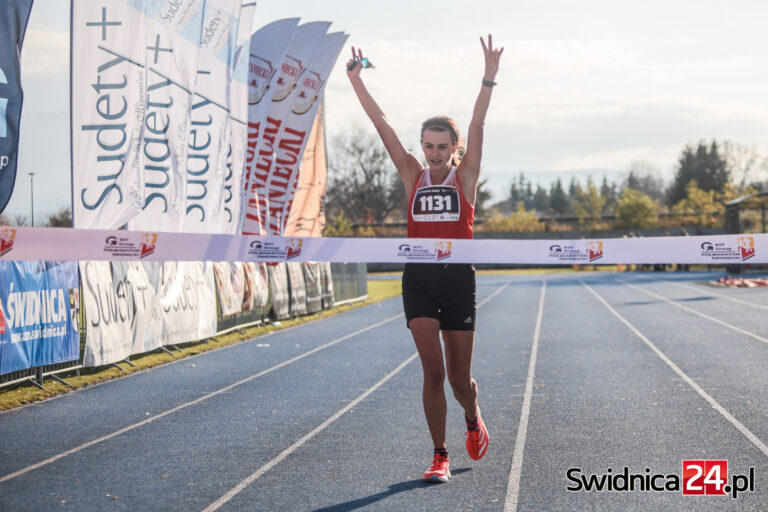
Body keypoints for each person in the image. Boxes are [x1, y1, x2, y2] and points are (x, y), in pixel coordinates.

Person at [347, 35, 503, 483]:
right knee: (431, 372)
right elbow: (382, 126)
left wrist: (488, 77)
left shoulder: (466, 176)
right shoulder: (412, 174)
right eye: (428, 145)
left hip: (458, 281)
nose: (434, 154)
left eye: (442, 147)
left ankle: (472, 416)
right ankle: (440, 454)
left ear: (453, 149)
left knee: (459, 382)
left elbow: (477, 123)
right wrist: (356, 82)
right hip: (418, 278)